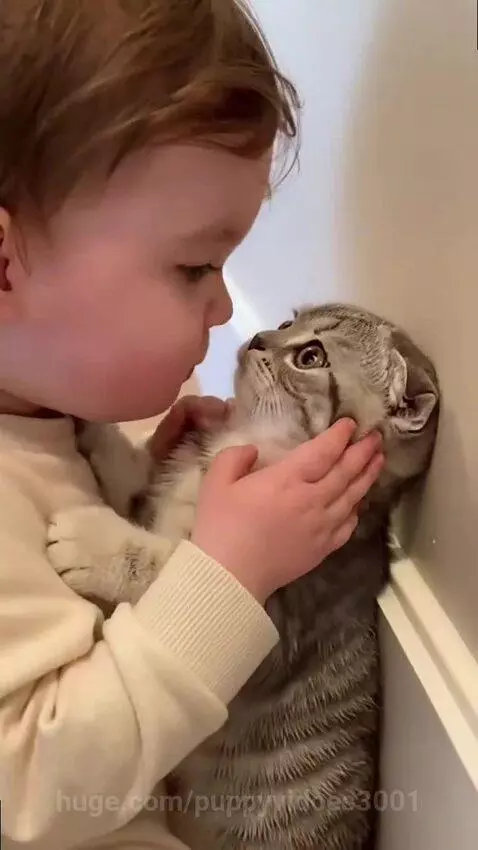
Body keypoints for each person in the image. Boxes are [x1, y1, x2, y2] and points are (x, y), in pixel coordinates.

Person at [0, 2, 384, 848]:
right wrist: (227, 575)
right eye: (193, 267)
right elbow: (29, 791)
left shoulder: (44, 406)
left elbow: (63, 550)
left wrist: (144, 477)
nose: (223, 308)